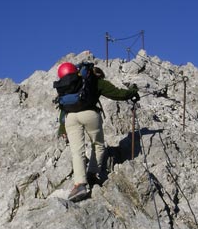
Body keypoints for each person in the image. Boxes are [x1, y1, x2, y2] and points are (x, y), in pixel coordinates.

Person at [55, 62, 139, 202]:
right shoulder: (95, 81)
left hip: (70, 118)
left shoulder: (67, 86)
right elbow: (118, 94)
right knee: (98, 144)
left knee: (77, 151)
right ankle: (92, 174)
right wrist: (132, 91)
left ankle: (79, 185)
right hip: (90, 114)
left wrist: (62, 127)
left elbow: (63, 106)